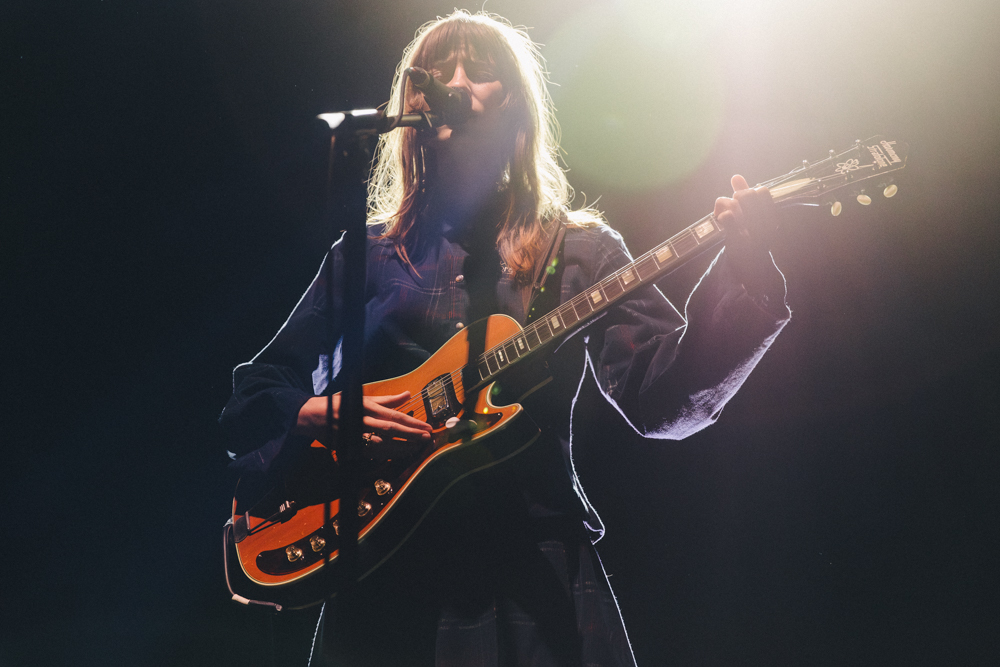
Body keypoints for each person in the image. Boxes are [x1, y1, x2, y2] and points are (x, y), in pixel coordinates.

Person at [220, 10, 790, 667]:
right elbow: (257, 393)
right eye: (437, 73)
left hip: (527, 580)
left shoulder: (578, 250)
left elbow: (661, 399)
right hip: (384, 576)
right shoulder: (369, 255)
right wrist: (320, 411)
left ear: (517, 108)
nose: (455, 82)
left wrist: (745, 276)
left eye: (480, 71)